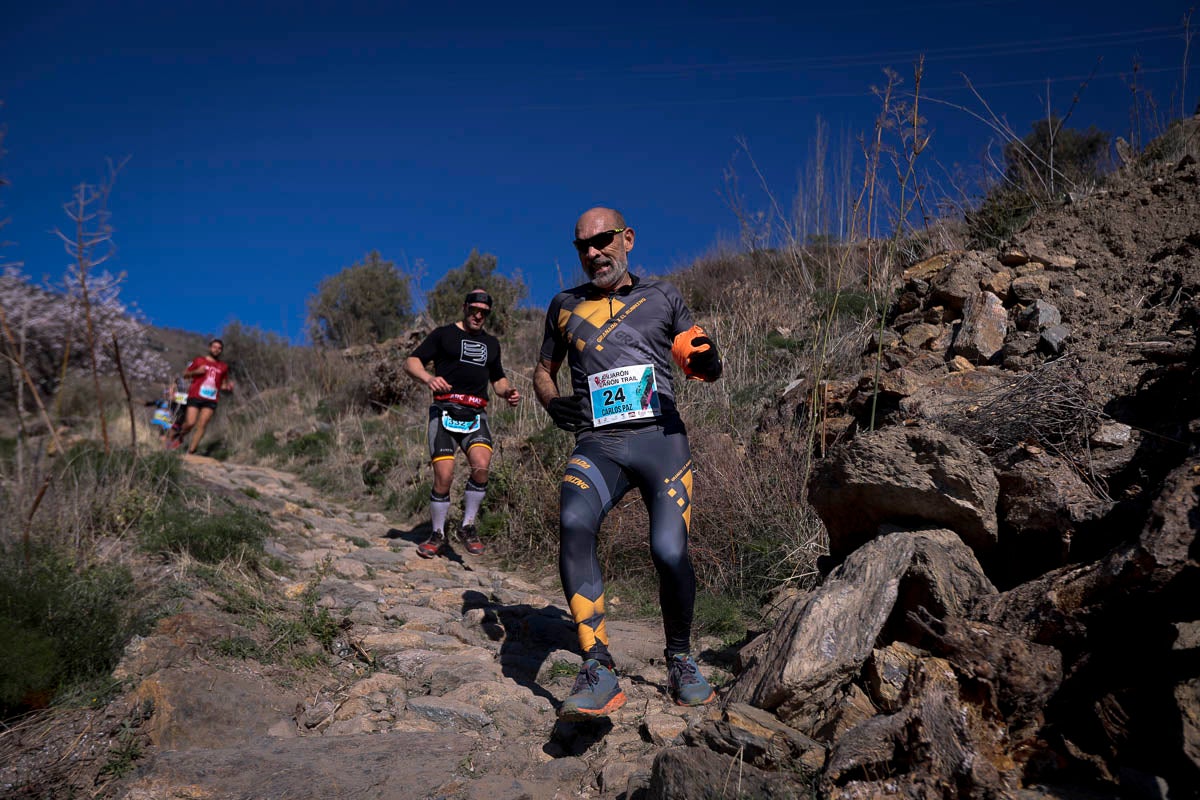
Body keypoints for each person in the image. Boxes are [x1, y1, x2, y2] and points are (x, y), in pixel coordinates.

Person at [533, 207, 724, 721]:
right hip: (598, 444)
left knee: (667, 550)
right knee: (573, 520)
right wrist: (553, 403)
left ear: (628, 238)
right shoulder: (563, 305)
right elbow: (542, 371)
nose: (594, 251)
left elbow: (691, 347)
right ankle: (597, 665)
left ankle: (680, 659)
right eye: (583, 246)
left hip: (661, 439)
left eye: (604, 239)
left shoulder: (662, 294)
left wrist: (704, 360)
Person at [405, 289, 521, 557]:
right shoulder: (443, 334)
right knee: (444, 476)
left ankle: (467, 526)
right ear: (465, 307)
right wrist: (428, 378)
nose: (478, 315)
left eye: (484, 312)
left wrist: (507, 392)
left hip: (476, 414)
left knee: (481, 466)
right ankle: (436, 534)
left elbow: (499, 378)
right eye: (474, 310)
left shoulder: (492, 344)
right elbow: (411, 362)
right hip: (444, 412)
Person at [171, 339, 233, 454]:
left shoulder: (223, 367)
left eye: (219, 348)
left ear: (221, 351)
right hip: (195, 396)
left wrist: (228, 387)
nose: (216, 350)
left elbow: (223, 384)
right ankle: (179, 436)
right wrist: (196, 372)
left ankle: (191, 452)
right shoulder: (199, 360)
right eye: (214, 347)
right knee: (190, 423)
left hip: (211, 399)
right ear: (210, 348)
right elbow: (185, 375)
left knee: (202, 424)